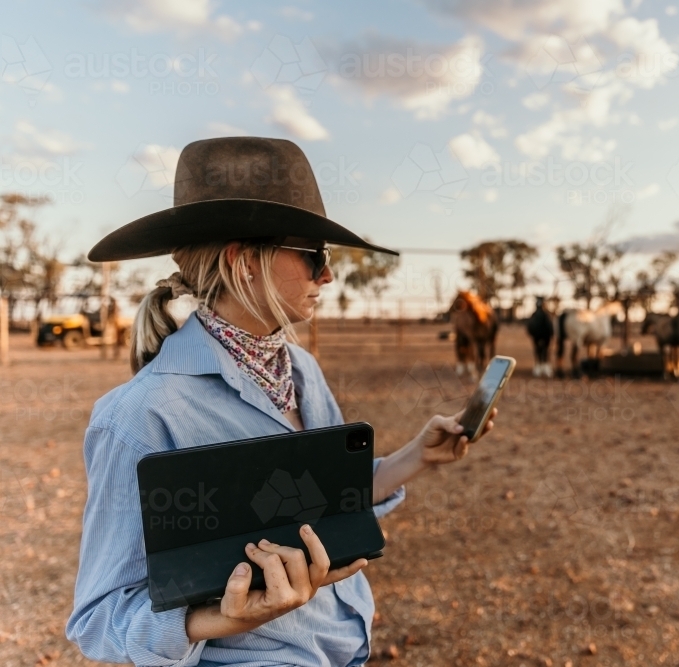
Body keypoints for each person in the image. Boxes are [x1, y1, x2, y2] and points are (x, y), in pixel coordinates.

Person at [66, 137, 497, 667]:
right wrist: (225, 618)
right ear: (245, 262)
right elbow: (99, 620)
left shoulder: (302, 371)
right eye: (314, 254)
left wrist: (417, 456)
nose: (329, 275)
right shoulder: (138, 416)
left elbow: (323, 500)